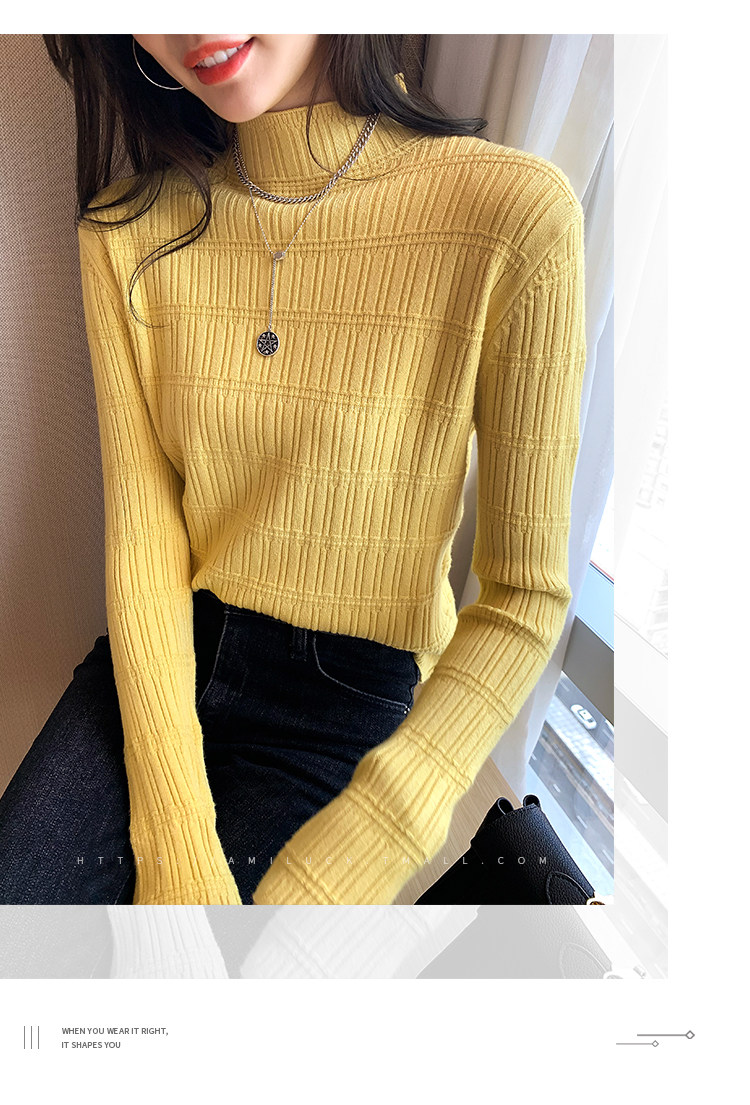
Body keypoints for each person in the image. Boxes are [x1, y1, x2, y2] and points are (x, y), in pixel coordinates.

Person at [0, 34, 587, 906]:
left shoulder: (513, 216)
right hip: (161, 661)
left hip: (347, 700)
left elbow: (522, 598)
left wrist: (347, 864)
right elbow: (145, 537)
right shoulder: (125, 232)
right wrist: (175, 849)